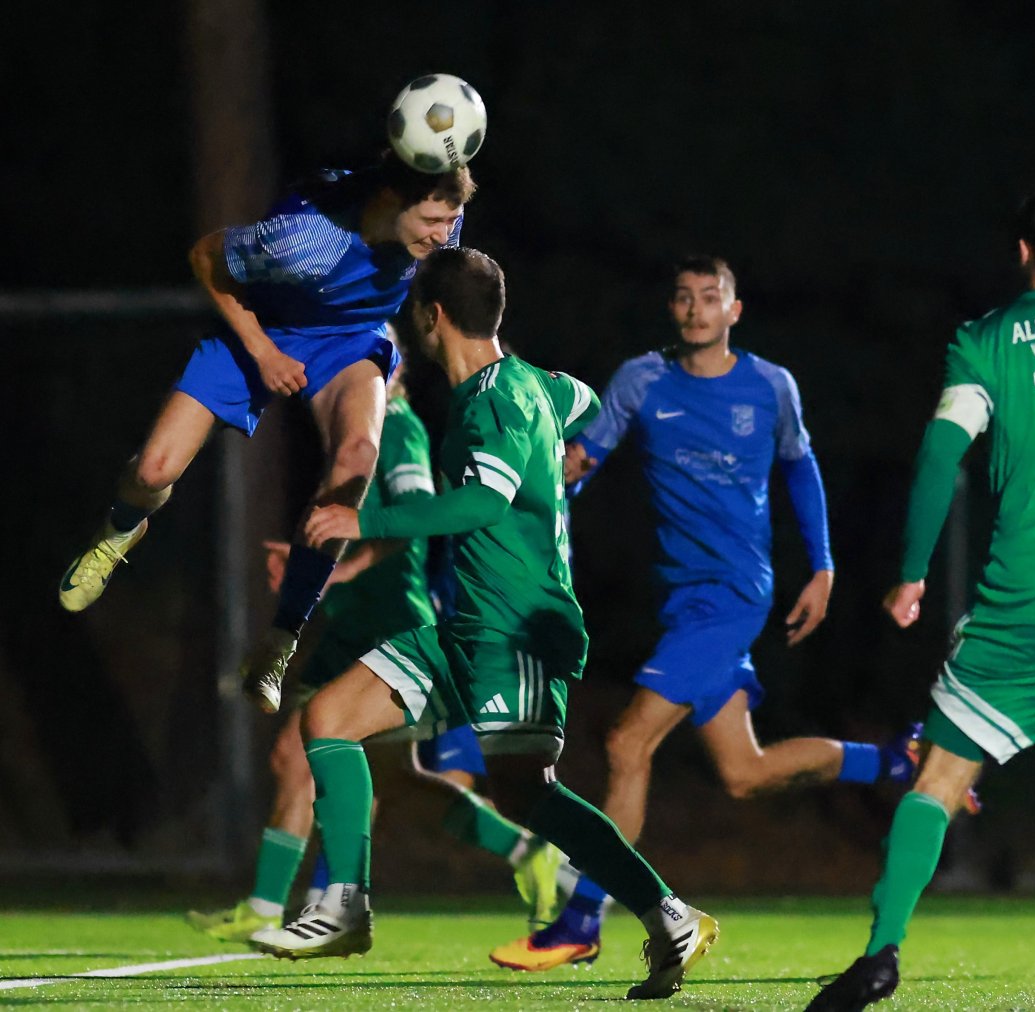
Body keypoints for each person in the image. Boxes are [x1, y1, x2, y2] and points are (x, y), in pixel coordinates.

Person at [250, 246, 718, 1000]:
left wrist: (360, 514)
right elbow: (588, 403)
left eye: (416, 314)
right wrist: (562, 466)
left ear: (433, 318)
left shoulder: (489, 402)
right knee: (333, 720)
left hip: (516, 631)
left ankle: (664, 913)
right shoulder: (533, 385)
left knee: (529, 792)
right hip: (482, 627)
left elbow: (481, 503)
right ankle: (346, 907)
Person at [490, 255, 926, 971]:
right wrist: (542, 497)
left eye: (710, 297)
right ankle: (897, 761)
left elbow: (799, 467)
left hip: (733, 596)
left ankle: (580, 919)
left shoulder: (770, 385)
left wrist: (822, 565)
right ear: (673, 309)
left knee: (629, 744)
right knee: (745, 772)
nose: (695, 309)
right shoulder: (641, 380)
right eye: (684, 298)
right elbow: (584, 459)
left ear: (734, 311)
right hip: (681, 600)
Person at [807, 179, 1035, 1010]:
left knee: (938, 777)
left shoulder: (987, 341)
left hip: (1026, 604)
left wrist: (912, 573)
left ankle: (881, 954)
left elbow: (941, 457)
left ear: (1024, 251)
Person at [58, 151, 475, 715]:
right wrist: (264, 351)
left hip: (350, 341)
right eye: (432, 221)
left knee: (358, 454)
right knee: (152, 471)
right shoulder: (307, 237)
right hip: (261, 331)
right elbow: (206, 256)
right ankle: (118, 532)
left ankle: (281, 640)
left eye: (450, 220)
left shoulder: (437, 227)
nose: (443, 235)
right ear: (390, 202)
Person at [185, 358, 558, 942]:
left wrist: (339, 575)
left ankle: (290, 905)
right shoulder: (347, 434)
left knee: (297, 751)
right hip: (350, 626)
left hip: (389, 622)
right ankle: (525, 850)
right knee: (392, 780)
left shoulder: (399, 426)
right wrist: (309, 562)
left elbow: (411, 527)